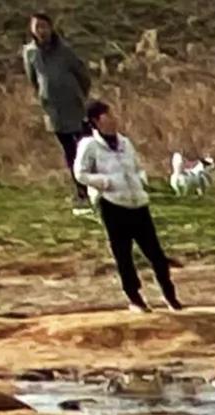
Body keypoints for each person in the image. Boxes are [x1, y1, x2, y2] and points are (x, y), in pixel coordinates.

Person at [69, 99, 180, 310]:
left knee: (155, 252)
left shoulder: (125, 142)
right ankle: (134, 297)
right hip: (113, 204)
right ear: (96, 121)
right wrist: (105, 182)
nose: (113, 119)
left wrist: (141, 180)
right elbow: (80, 173)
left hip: (137, 202)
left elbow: (137, 166)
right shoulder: (89, 145)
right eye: (107, 115)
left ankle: (169, 295)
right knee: (123, 254)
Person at [23, 14, 94, 206]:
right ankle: (81, 192)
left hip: (75, 107)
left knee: (86, 148)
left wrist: (80, 96)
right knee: (70, 151)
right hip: (54, 111)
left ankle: (97, 188)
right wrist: (43, 97)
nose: (41, 31)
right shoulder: (30, 53)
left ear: (51, 28)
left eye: (44, 26)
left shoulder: (65, 51)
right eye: (37, 27)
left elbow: (83, 75)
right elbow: (33, 79)